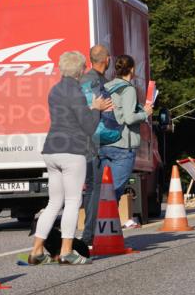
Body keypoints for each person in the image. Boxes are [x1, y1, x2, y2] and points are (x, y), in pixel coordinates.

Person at [27, 51, 112, 265]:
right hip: (72, 150)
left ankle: (36, 251)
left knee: (54, 202)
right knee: (73, 201)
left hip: (51, 149)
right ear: (81, 70)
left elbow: (69, 115)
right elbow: (88, 126)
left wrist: (90, 108)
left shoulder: (55, 90)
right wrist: (97, 109)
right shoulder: (76, 91)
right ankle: (66, 252)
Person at [99, 55, 153, 229]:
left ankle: (98, 227)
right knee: (114, 190)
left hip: (104, 143)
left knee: (104, 190)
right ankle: (105, 231)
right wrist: (145, 114)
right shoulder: (128, 89)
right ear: (132, 69)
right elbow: (129, 118)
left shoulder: (107, 86)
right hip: (123, 145)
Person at [79, 44, 109, 248]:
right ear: (107, 60)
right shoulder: (99, 82)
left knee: (89, 188)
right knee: (95, 188)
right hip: (95, 141)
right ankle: (89, 235)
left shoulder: (81, 80)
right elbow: (102, 110)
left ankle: (88, 234)